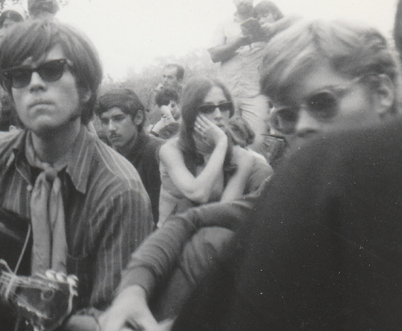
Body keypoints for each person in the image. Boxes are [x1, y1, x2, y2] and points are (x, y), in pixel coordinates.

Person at [0, 19, 153, 326]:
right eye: (19, 76)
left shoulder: (119, 192)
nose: (35, 83)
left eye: (52, 70)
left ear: (86, 89)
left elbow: (116, 322)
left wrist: (14, 304)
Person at [167, 18, 401, 331]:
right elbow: (191, 222)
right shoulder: (299, 193)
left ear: (383, 92)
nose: (302, 125)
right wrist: (133, 290)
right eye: (287, 116)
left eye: (322, 102)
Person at [157, 76, 272, 226]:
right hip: (172, 235)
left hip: (210, 232)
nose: (218, 115)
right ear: (191, 113)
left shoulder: (242, 157)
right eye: (207, 109)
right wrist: (221, 144)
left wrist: (222, 145)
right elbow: (198, 193)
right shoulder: (171, 150)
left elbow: (223, 216)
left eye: (224, 106)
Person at [208, 0, 287, 154]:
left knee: (258, 142)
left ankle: (256, 179)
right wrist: (238, 42)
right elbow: (214, 54)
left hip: (255, 93)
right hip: (227, 93)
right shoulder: (224, 24)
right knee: (224, 141)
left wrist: (271, 29)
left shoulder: (265, 20)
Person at [96, 88, 164, 223]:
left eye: (118, 118)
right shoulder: (109, 155)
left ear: (138, 118)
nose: (111, 128)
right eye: (105, 121)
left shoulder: (157, 152)